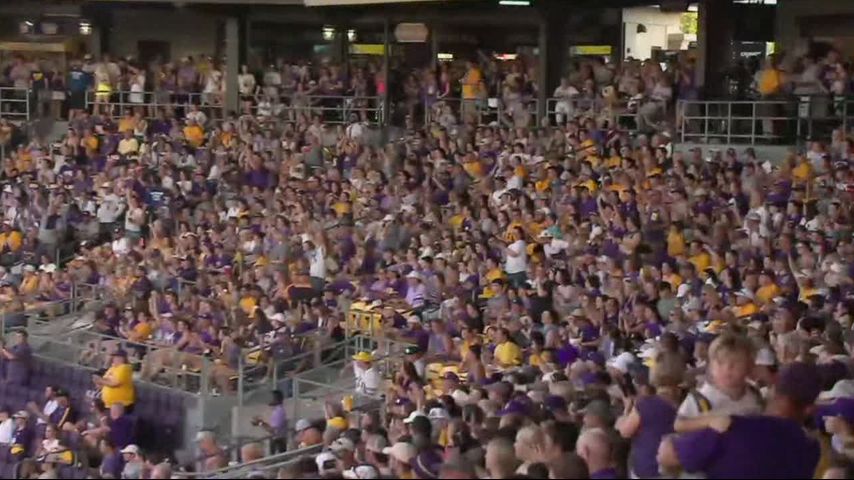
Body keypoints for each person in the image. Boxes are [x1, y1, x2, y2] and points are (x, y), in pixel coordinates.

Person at [658, 362, 823, 478]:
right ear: (810, 409)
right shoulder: (811, 450)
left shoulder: (730, 428)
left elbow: (667, 455)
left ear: (772, 389)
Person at [674, 333, 762, 432]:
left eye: (736, 362)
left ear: (749, 366)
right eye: (720, 363)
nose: (727, 368)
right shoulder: (701, 398)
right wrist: (709, 421)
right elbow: (679, 425)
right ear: (710, 366)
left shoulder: (753, 394)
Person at [252, 390, 288, 454]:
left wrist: (260, 423)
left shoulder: (279, 412)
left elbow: (273, 430)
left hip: (278, 442)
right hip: (276, 441)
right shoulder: (276, 411)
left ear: (276, 399)